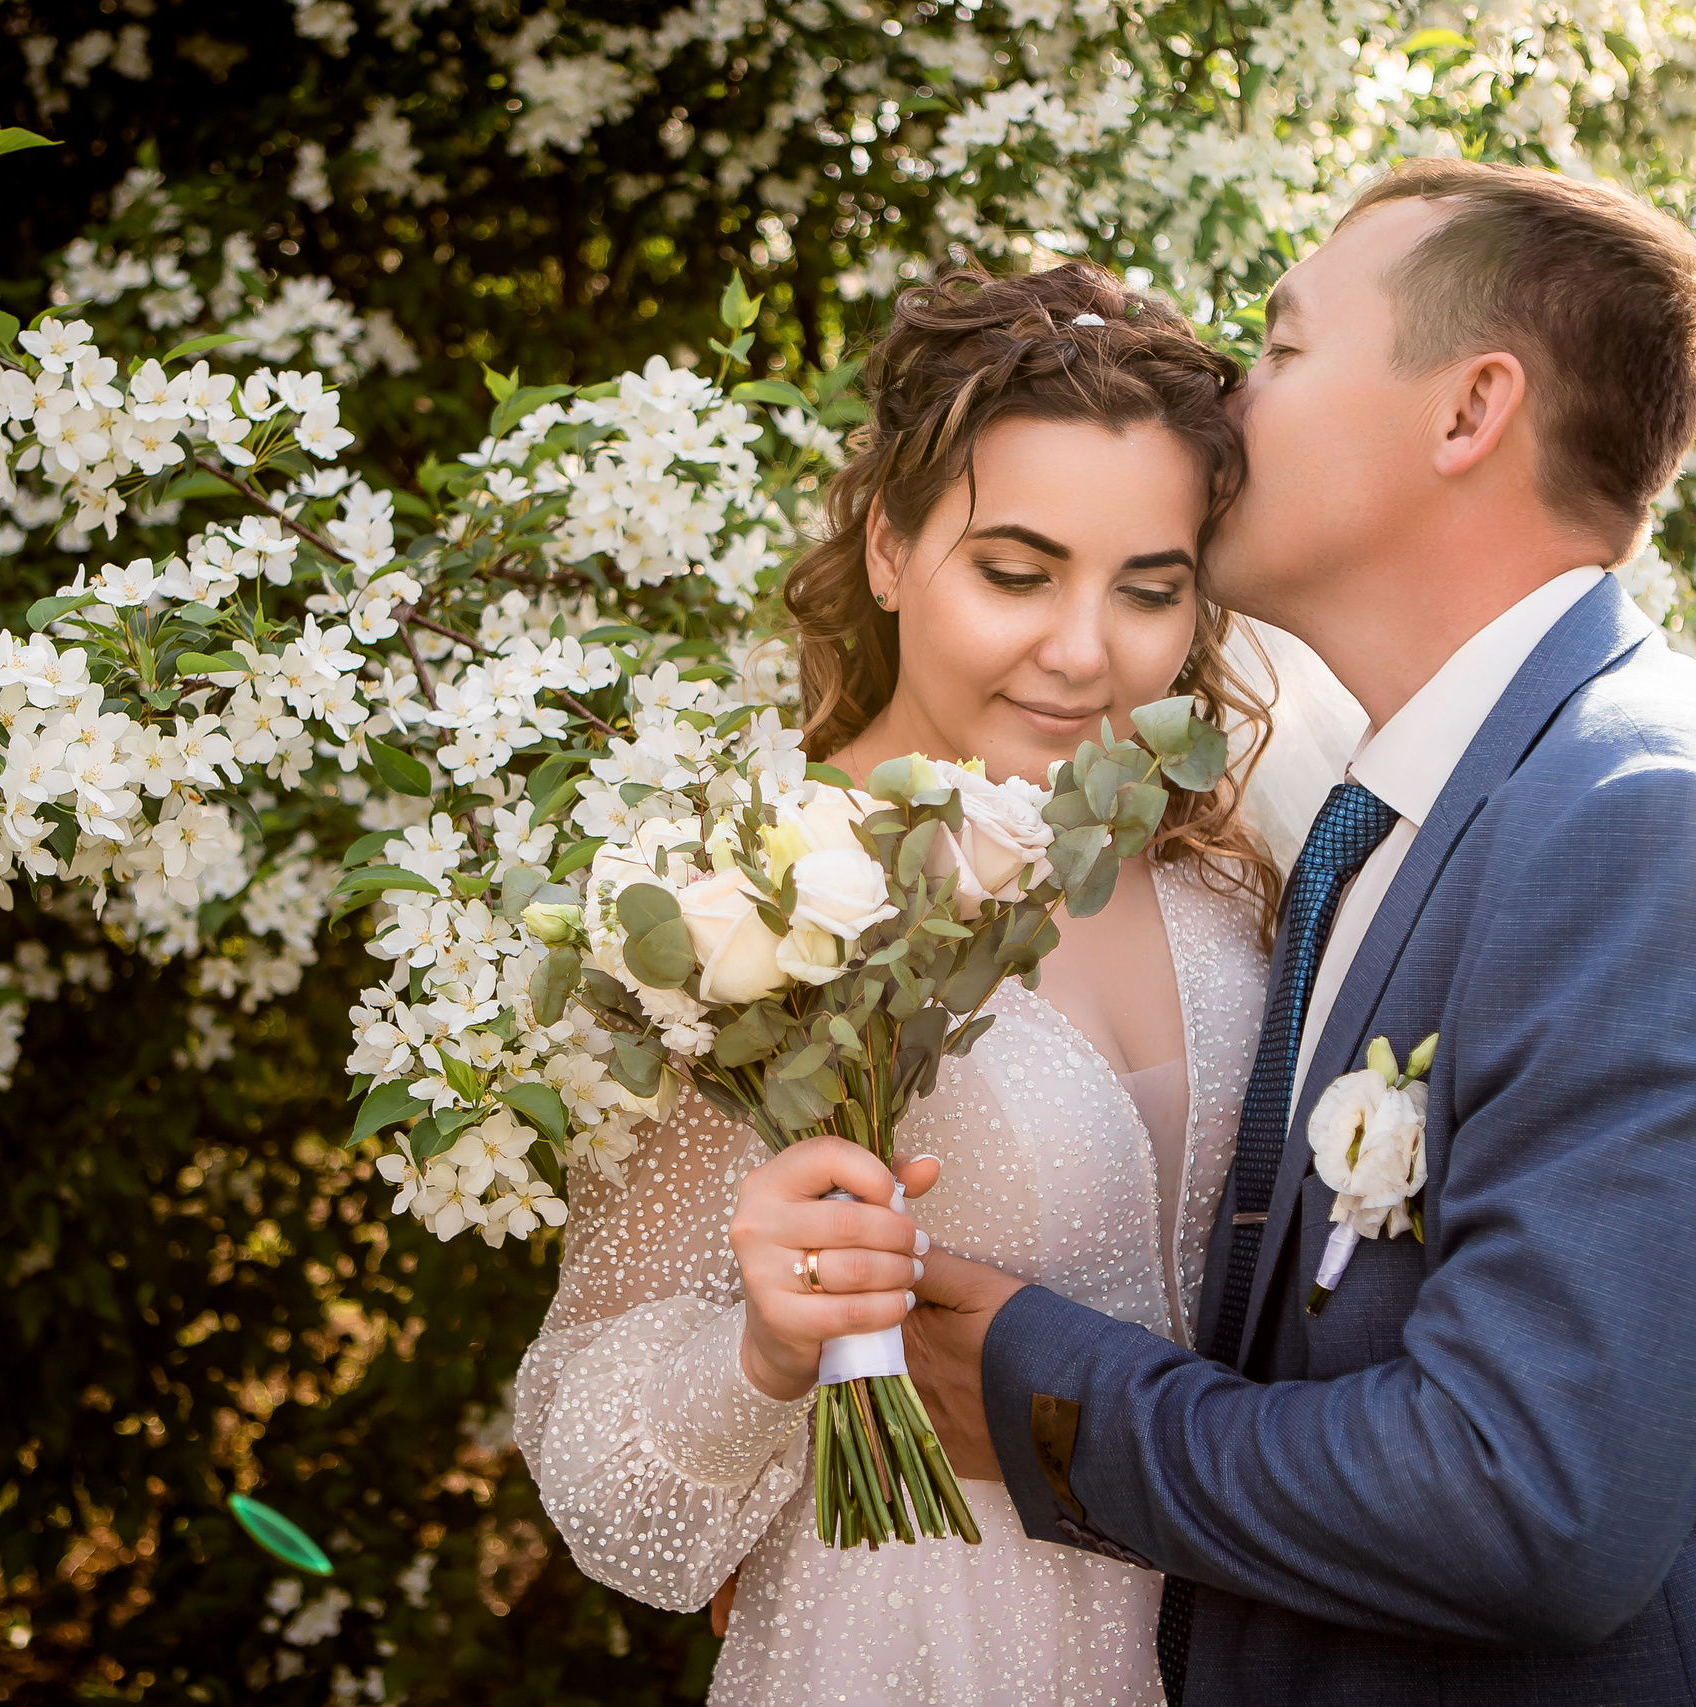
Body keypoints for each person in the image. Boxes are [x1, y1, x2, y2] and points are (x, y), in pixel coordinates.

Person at [893, 159, 1696, 1704]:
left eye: (1285, 346)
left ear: (1468, 413)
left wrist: (1038, 1395)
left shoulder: (1650, 827)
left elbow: (1524, 1504)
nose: (1227, 410)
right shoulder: (1436, 803)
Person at [509, 262, 1281, 1705]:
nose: (1081, 650)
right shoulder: (755, 904)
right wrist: (762, 1351)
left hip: (1249, 1638)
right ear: (886, 548)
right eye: (1015, 570)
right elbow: (595, 1469)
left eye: (1149, 588)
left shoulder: (1224, 869)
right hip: (918, 1648)